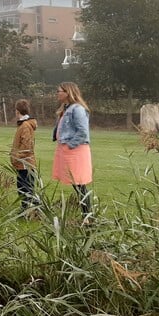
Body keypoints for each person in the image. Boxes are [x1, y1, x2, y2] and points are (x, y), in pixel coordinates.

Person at [53, 82, 94, 224]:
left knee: (80, 184)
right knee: (76, 184)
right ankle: (86, 216)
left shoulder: (77, 109)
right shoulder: (66, 108)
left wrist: (70, 145)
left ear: (68, 92)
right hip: (67, 150)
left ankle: (88, 217)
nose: (57, 93)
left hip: (75, 152)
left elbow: (83, 132)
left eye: (59, 91)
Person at [10, 99, 38, 214]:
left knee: (26, 188)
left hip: (25, 163)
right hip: (21, 163)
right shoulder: (23, 124)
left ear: (17, 111)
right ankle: (26, 209)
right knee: (22, 187)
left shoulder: (25, 125)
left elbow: (26, 146)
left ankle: (31, 210)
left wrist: (16, 156)